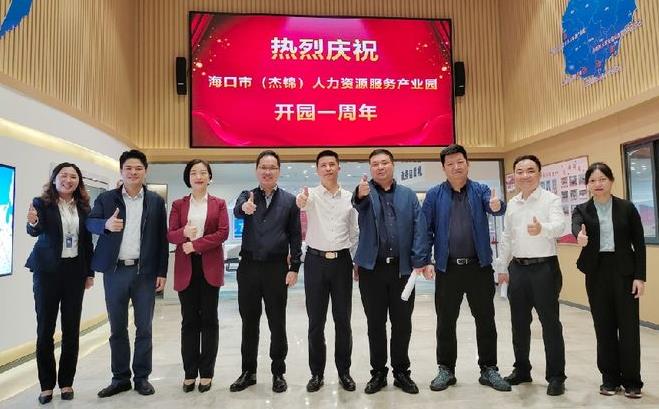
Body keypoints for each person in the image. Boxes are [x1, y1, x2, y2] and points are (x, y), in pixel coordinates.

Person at [421, 144, 510, 392]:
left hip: (478, 268)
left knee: (486, 320)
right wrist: (425, 259)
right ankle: (446, 370)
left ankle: (489, 369)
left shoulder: (480, 190)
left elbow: (495, 205)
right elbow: (425, 230)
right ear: (444, 168)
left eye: (460, 162)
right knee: (445, 322)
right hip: (447, 269)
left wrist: (497, 206)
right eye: (450, 164)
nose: (456, 167)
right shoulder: (434, 195)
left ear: (468, 164)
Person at [86, 149, 168, 398]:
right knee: (117, 328)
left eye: (138, 168)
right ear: (121, 171)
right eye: (128, 168)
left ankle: (141, 378)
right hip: (115, 272)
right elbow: (90, 222)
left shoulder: (155, 201)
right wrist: (105, 225)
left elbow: (161, 239)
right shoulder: (107, 199)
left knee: (144, 328)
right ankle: (120, 378)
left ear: (145, 171)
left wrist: (162, 271)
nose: (133, 172)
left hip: (145, 273)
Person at [352, 148, 430, 395]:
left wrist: (420, 260)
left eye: (384, 162)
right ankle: (378, 373)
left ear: (393, 165)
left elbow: (419, 227)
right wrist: (360, 194)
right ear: (370, 169)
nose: (380, 167)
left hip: (402, 271)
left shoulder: (408, 195)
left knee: (402, 324)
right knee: (375, 324)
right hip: (372, 271)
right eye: (375, 164)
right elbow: (358, 204)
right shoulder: (365, 193)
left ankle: (401, 372)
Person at [230, 150, 302, 393]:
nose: (267, 171)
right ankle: (248, 372)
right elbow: (238, 210)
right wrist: (245, 208)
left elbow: (295, 236)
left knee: (277, 322)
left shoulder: (289, 201)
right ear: (256, 170)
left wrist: (294, 267)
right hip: (249, 267)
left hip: (276, 268)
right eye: (263, 167)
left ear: (278, 171)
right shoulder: (247, 195)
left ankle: (278, 372)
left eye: (272, 167)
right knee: (249, 323)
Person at [571, 162, 645, 399]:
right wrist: (579, 236)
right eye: (592, 181)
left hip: (625, 272)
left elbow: (639, 244)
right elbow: (576, 227)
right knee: (604, 327)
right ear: (587, 185)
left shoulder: (627, 208)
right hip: (596, 271)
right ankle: (610, 379)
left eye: (602, 179)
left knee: (629, 328)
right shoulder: (582, 209)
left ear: (611, 181)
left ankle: (632, 381)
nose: (598, 184)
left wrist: (640, 277)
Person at [495, 154, 566, 396]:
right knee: (519, 323)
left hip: (545, 268)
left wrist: (541, 228)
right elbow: (507, 237)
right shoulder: (513, 203)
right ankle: (522, 370)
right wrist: (502, 267)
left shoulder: (550, 200)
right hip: (518, 269)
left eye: (530, 171)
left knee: (550, 324)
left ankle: (556, 376)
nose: (525, 176)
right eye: (520, 171)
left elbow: (560, 227)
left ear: (539, 174)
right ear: (514, 175)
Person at [25, 162, 95, 404]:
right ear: (54, 179)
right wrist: (33, 222)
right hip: (47, 272)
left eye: (73, 176)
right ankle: (46, 386)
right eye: (63, 175)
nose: (68, 180)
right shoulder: (41, 203)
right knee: (45, 329)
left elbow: (87, 242)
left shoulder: (84, 207)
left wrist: (89, 273)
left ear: (79, 182)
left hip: (74, 272)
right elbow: (34, 230)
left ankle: (66, 383)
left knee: (71, 329)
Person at [296, 150, 359, 392]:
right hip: (315, 263)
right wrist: (301, 202)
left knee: (343, 321)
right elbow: (301, 203)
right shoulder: (310, 195)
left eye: (332, 164)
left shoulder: (349, 198)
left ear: (338, 168)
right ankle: (317, 374)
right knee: (316, 322)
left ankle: (344, 372)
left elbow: (354, 232)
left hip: (342, 262)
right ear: (317, 170)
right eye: (323, 165)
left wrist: (356, 262)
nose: (328, 168)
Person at [167, 159, 229, 393]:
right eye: (194, 172)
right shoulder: (178, 204)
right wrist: (183, 233)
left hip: (210, 266)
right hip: (186, 267)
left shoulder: (219, 203)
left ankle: (207, 372)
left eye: (203, 172)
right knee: (189, 322)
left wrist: (196, 244)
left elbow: (223, 233)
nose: (199, 176)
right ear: (188, 178)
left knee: (210, 321)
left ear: (209, 177)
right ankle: (190, 372)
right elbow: (170, 235)